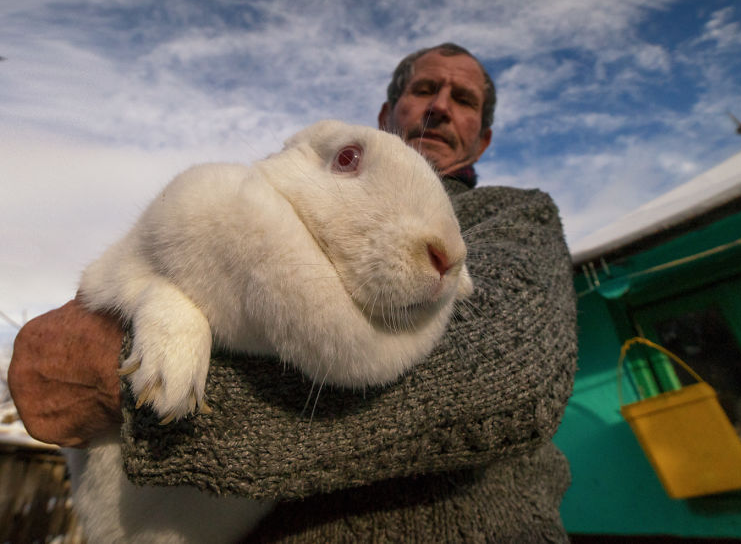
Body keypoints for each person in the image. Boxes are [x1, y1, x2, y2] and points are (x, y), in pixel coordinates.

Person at [9, 43, 578, 542]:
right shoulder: (293, 192)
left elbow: (506, 373)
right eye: (424, 89)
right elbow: (169, 267)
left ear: (482, 137)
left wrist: (133, 390)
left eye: (463, 99)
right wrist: (165, 306)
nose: (439, 106)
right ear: (387, 113)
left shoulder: (513, 216)